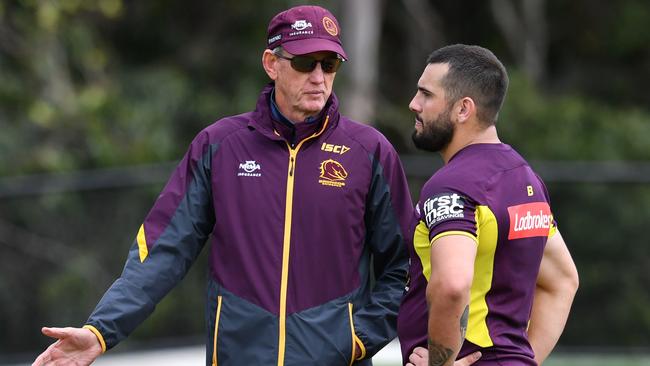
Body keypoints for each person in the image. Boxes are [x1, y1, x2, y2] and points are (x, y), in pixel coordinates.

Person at [32, 5, 415, 366]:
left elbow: (405, 266)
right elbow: (163, 251)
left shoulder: (370, 151)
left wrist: (357, 338)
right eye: (303, 63)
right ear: (272, 64)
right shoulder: (218, 145)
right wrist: (101, 331)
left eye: (329, 64)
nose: (318, 77)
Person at [397, 44, 580, 366]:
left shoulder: (451, 185)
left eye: (426, 94)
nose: (414, 104)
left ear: (463, 109)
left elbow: (452, 285)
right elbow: (563, 281)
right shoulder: (526, 180)